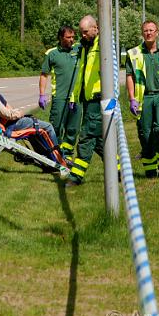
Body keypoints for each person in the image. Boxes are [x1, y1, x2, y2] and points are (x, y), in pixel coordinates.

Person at [0, 67, 61, 149]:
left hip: (5, 122)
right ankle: (58, 158)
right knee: (47, 127)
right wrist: (19, 113)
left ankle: (46, 156)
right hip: (10, 124)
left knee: (35, 129)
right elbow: (7, 114)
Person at [126, 20, 159, 178]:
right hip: (144, 98)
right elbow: (129, 76)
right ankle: (150, 169)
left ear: (157, 32)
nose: (148, 33)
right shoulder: (134, 53)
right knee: (145, 133)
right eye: (145, 30)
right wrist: (132, 98)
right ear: (142, 33)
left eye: (151, 30)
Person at [67, 15, 103, 187]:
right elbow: (81, 74)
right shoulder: (85, 47)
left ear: (96, 28)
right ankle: (118, 169)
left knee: (86, 137)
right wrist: (75, 96)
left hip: (97, 99)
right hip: (87, 100)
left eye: (85, 32)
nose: (82, 36)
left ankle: (76, 176)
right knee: (100, 141)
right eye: (81, 32)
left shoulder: (102, 47)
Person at [39, 26, 81, 161]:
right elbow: (44, 75)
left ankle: (67, 155)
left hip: (77, 97)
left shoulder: (78, 49)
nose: (72, 40)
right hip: (60, 97)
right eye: (68, 37)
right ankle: (54, 154)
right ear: (61, 38)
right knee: (56, 126)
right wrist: (42, 94)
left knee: (73, 128)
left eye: (73, 37)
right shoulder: (51, 54)